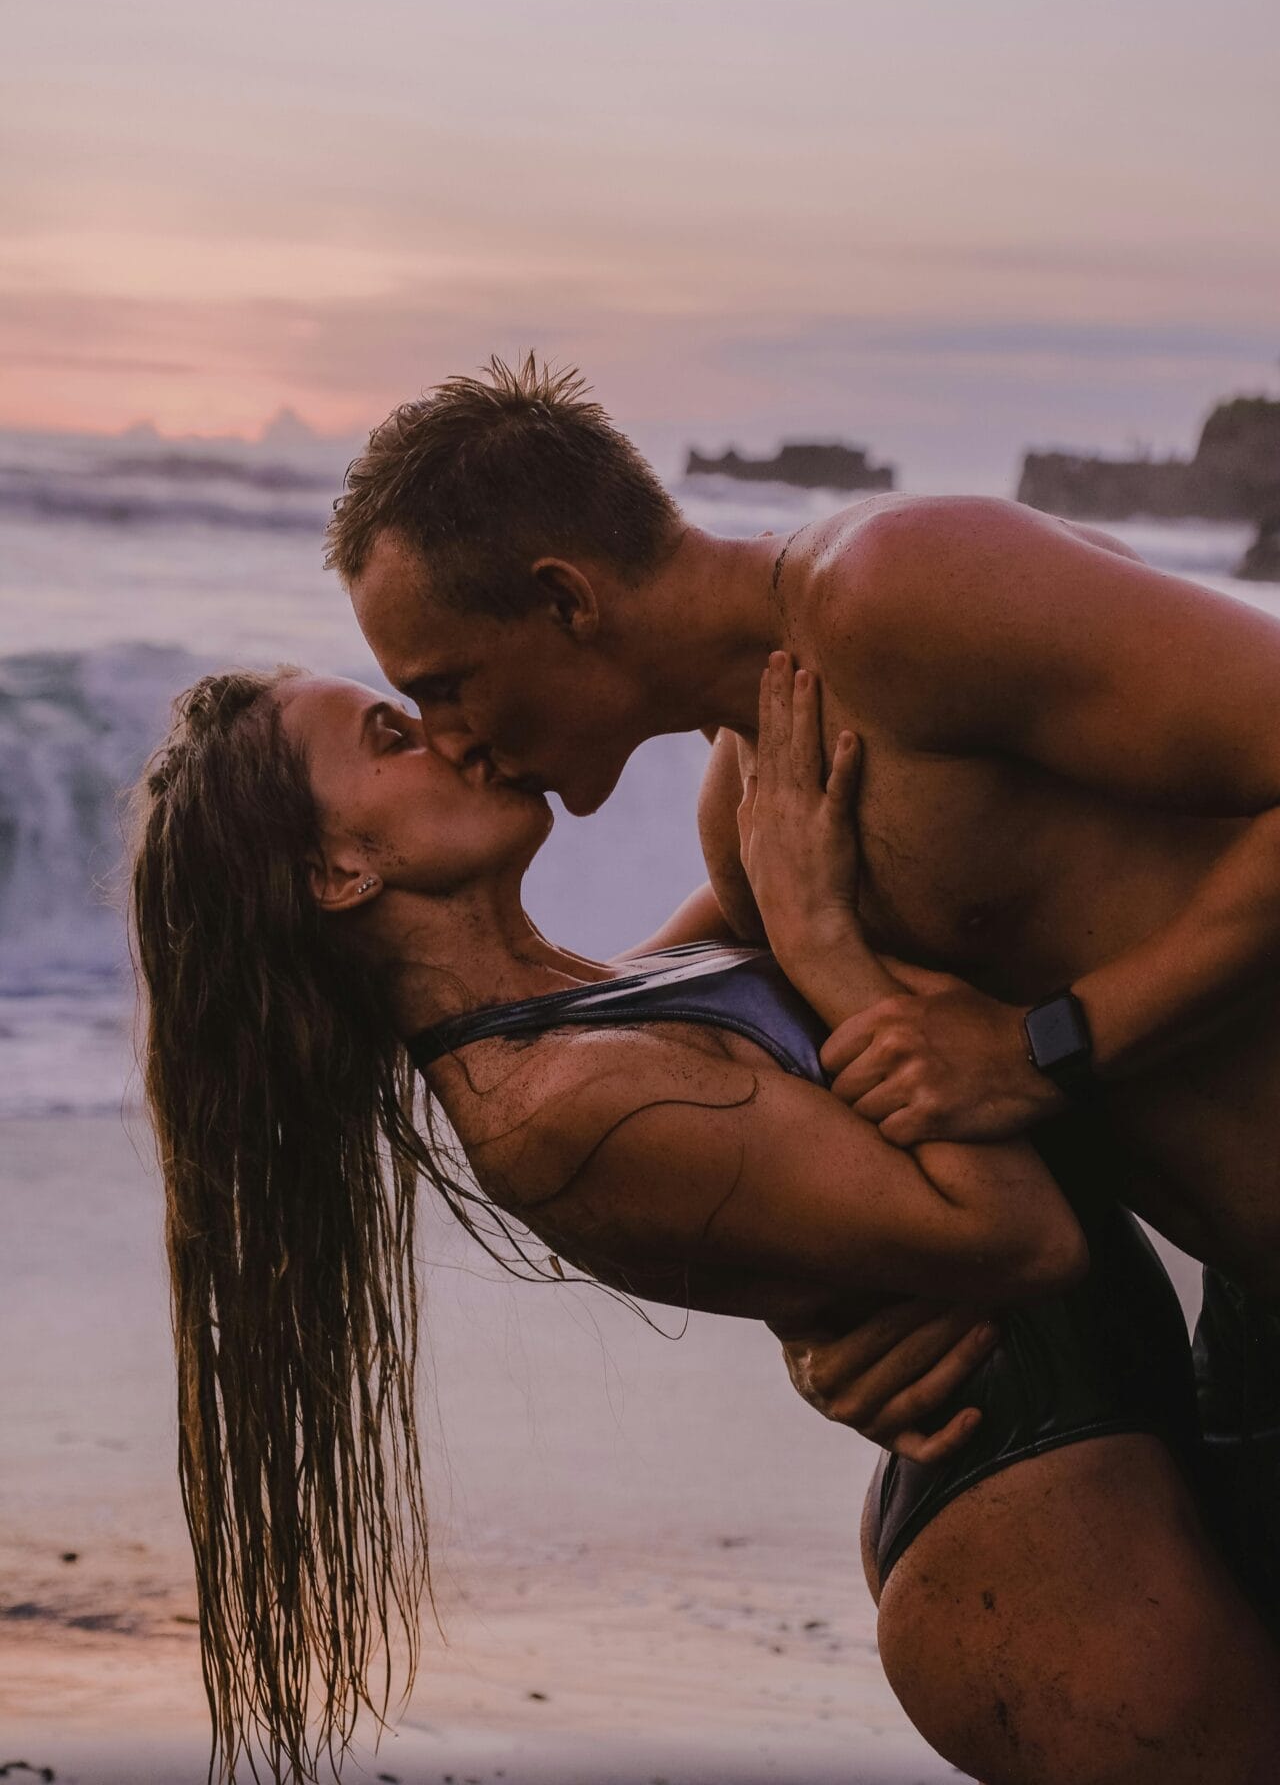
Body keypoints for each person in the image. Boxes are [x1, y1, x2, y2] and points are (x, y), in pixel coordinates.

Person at [131, 660, 1280, 1785]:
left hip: (1095, 1463)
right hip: (1031, 1542)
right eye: (392, 734)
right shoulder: (553, 1109)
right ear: (337, 869)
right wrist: (828, 944)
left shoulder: (598, 1003)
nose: (452, 735)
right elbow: (1021, 1236)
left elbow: (769, 762)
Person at [327, 353, 1280, 1632]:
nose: (447, 737)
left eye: (441, 685)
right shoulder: (756, 812)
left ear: (564, 600)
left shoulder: (903, 590)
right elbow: (685, 1065)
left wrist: (1043, 1045)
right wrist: (815, 1312)